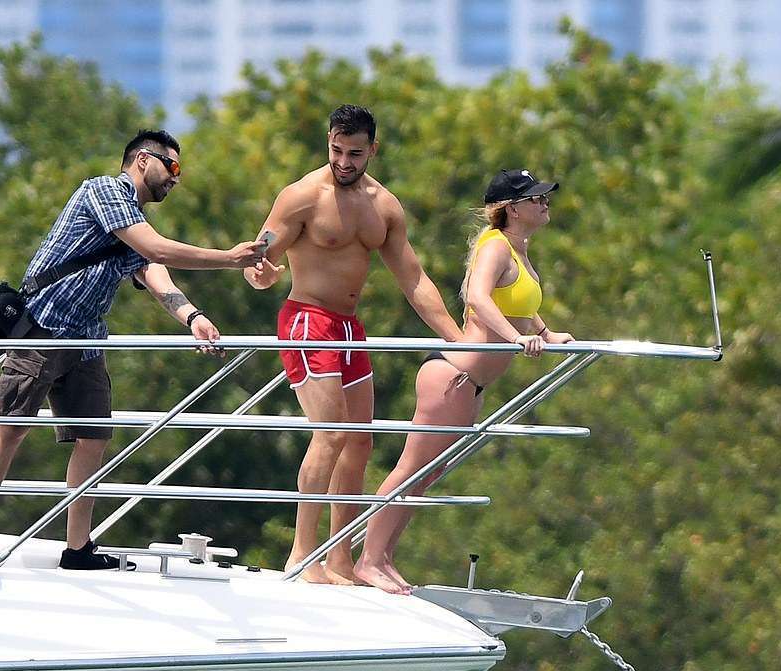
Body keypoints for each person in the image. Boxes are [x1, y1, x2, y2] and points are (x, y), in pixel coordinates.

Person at [0, 129, 265, 570]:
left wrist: (193, 318)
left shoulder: (133, 223)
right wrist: (230, 259)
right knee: (12, 427)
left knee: (94, 439)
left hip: (85, 341)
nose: (175, 178)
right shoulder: (105, 191)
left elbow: (155, 275)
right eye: (172, 166)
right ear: (143, 160)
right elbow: (157, 249)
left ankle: (77, 548)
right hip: (43, 329)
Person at [244, 105, 464, 584]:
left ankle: (340, 557)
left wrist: (458, 340)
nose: (344, 162)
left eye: (355, 153)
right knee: (330, 435)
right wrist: (261, 273)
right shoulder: (302, 196)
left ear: (373, 150)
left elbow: (414, 279)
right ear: (328, 142)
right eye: (336, 150)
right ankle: (302, 556)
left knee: (360, 442)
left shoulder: (384, 206)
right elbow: (259, 257)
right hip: (307, 320)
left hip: (348, 328)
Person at [354, 168, 575, 594]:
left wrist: (546, 333)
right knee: (411, 468)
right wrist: (516, 339)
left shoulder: (519, 250)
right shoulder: (496, 246)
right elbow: (477, 297)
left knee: (427, 474)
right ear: (513, 209)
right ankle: (368, 559)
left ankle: (383, 557)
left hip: (472, 384)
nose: (545, 203)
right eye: (536, 198)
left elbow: (519, 305)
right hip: (452, 375)